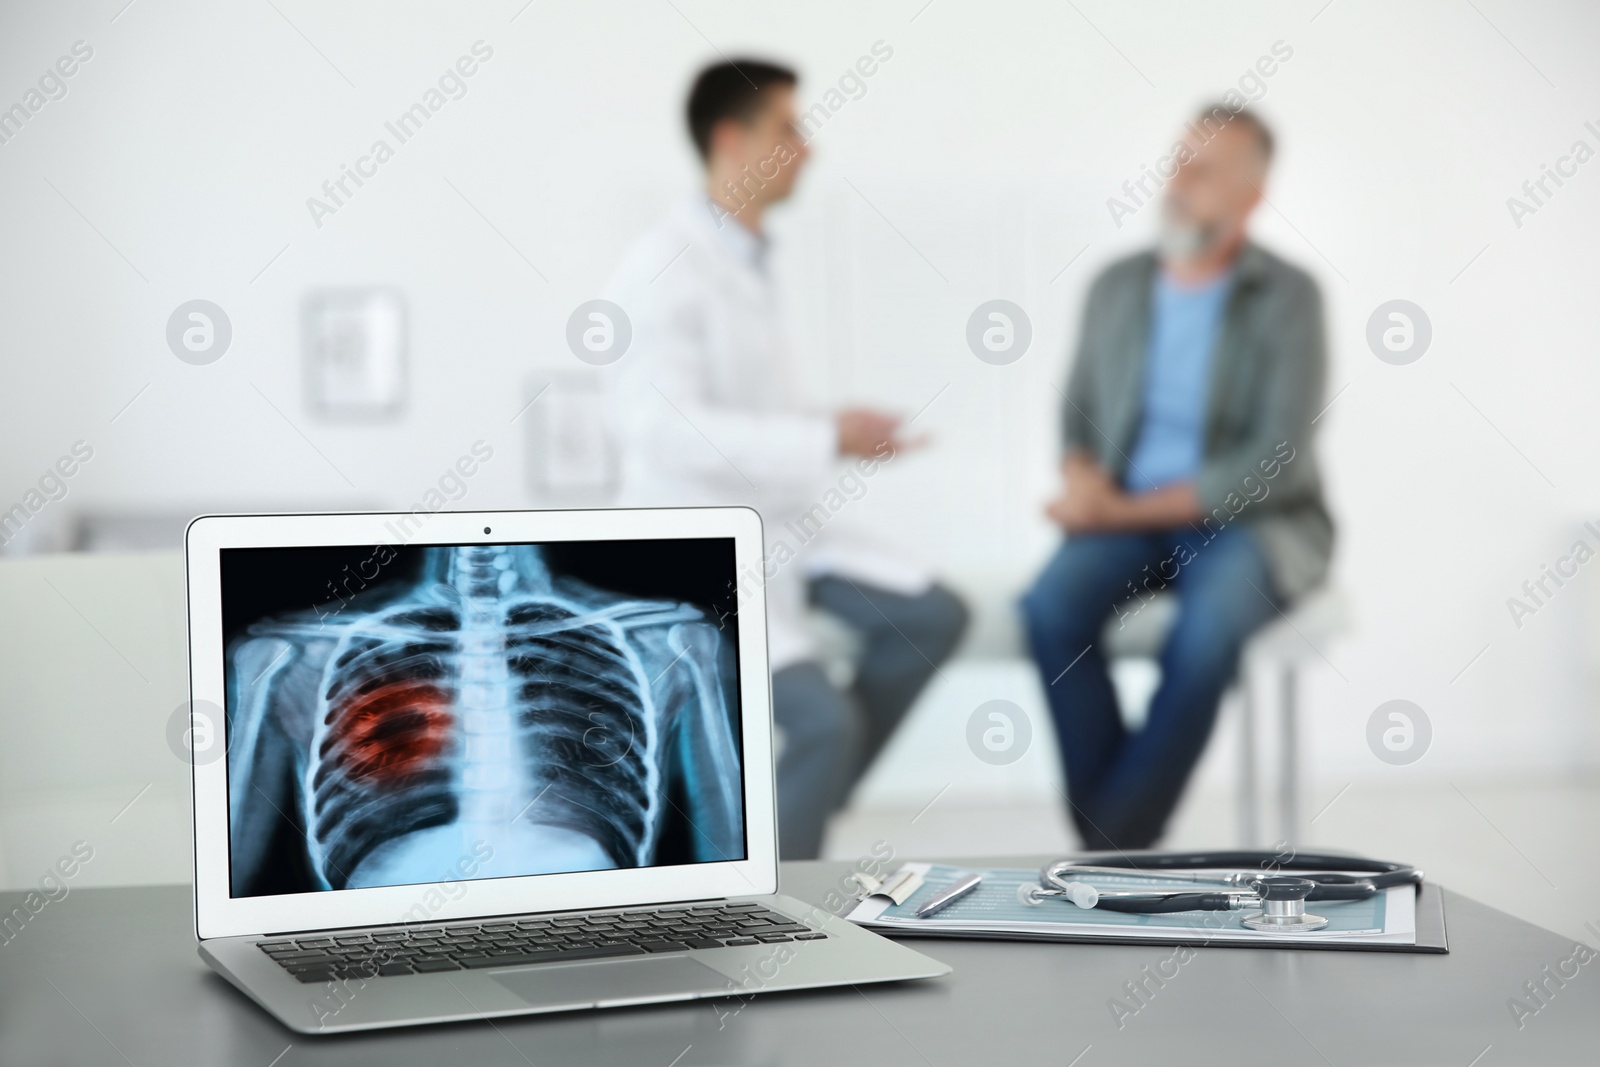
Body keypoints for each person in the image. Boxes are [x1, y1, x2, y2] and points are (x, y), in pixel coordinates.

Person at [603, 60, 967, 860]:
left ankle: (774, 828)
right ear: (733, 140)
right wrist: (824, 439)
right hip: (690, 538)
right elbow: (662, 430)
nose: (809, 148)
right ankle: (778, 888)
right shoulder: (660, 265)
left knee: (934, 615)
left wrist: (831, 426)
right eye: (791, 129)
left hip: (779, 522)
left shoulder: (752, 261)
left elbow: (745, 416)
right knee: (823, 722)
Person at [1022, 104, 1333, 851]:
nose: (1178, 182)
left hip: (1250, 523)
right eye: (1176, 162)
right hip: (1125, 518)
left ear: (1252, 196)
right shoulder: (1116, 285)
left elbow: (1276, 459)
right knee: (1048, 606)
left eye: (1203, 170)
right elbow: (1078, 413)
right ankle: (1120, 836)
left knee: (1205, 635)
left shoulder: (1289, 296)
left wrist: (1114, 511)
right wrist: (1081, 475)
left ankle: (1113, 842)